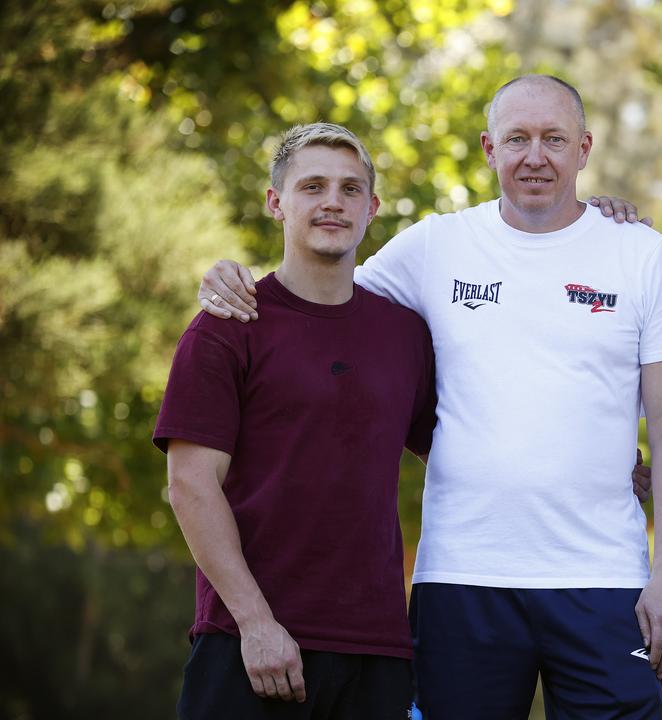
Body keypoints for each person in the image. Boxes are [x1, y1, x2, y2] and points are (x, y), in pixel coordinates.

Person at [197, 75, 662, 719]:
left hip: (603, 577)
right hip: (461, 577)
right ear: (490, 149)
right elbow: (317, 291)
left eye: (554, 139)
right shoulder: (437, 245)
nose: (535, 156)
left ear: (584, 147)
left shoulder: (641, 253)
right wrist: (229, 274)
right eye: (517, 139)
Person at [154, 123, 437, 719]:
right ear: (276, 202)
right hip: (249, 645)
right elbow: (189, 486)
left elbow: (464, 448)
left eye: (350, 189)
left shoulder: (405, 334)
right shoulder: (228, 328)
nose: (333, 201)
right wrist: (256, 622)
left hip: (378, 649)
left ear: (372, 209)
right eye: (312, 186)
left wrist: (609, 464)